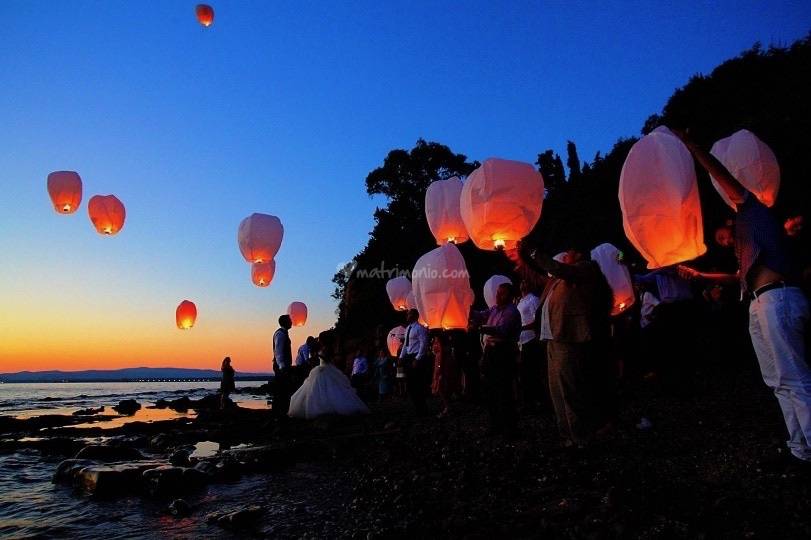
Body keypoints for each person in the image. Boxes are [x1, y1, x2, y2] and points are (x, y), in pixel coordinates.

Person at [673, 129, 811, 465]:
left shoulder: (754, 209)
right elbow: (739, 277)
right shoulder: (748, 234)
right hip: (760, 302)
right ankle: (800, 447)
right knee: (777, 380)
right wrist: (701, 276)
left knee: (793, 377)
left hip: (778, 300)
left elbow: (724, 175)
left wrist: (695, 148)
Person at [512, 245, 610, 447]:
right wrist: (519, 260)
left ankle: (581, 436)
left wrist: (532, 252)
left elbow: (560, 269)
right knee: (556, 389)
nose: (566, 255)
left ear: (579, 254)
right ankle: (566, 435)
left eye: (570, 253)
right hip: (552, 339)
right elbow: (538, 277)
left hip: (569, 337)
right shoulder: (556, 281)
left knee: (570, 388)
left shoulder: (586, 269)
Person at [470, 282, 522, 435]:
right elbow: (480, 315)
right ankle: (495, 425)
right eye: (498, 293)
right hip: (491, 352)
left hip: (504, 353)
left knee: (504, 391)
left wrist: (480, 328)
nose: (498, 296)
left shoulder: (512, 312)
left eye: (502, 293)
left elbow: (502, 330)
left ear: (510, 296)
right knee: (490, 390)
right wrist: (464, 306)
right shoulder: (494, 309)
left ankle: (509, 427)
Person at [288, 330, 370, 419]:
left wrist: (318, 355)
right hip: (323, 369)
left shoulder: (325, 349)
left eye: (320, 338)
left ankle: (325, 409)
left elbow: (327, 359)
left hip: (324, 369)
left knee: (324, 390)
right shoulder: (324, 348)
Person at [516, 279, 544, 411]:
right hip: (521, 340)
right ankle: (527, 401)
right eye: (522, 282)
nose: (523, 284)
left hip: (531, 339)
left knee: (531, 372)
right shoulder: (520, 301)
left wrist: (522, 328)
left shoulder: (533, 300)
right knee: (524, 372)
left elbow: (538, 319)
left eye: (526, 282)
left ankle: (536, 401)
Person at [399, 309, 430, 415]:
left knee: (418, 383)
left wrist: (418, 358)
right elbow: (405, 345)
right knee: (410, 384)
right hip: (408, 357)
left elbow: (423, 343)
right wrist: (401, 356)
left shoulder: (420, 328)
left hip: (416, 357)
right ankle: (417, 407)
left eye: (409, 314)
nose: (407, 316)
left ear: (414, 315)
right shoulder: (408, 329)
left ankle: (423, 408)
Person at [272, 314, 293, 418]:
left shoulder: (283, 333)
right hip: (281, 367)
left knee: (282, 388)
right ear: (285, 322)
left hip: (283, 366)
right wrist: (282, 366)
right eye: (290, 320)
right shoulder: (280, 334)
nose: (292, 322)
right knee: (281, 388)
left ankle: (281, 410)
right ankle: (278, 411)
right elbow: (278, 351)